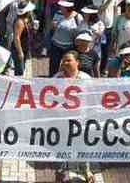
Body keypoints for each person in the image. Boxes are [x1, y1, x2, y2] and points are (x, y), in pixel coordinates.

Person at [52, 51, 94, 183]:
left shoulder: (86, 78)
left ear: (77, 63)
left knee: (82, 146)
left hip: (81, 119)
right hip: (62, 120)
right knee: (61, 146)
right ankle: (60, 171)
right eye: (63, 60)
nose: (65, 63)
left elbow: (94, 96)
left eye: (68, 60)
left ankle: (85, 170)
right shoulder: (56, 78)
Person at [50, 0, 81, 76]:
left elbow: (80, 30)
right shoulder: (58, 14)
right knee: (54, 65)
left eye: (62, 7)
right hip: (56, 44)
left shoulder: (77, 17)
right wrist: (53, 25)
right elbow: (53, 26)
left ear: (67, 8)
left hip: (69, 46)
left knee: (68, 66)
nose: (60, 8)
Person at [12, 2, 35, 77]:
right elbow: (16, 37)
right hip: (20, 49)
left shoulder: (26, 19)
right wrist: (20, 52)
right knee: (20, 71)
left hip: (25, 48)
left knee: (23, 69)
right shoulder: (20, 22)